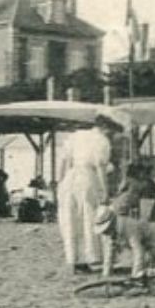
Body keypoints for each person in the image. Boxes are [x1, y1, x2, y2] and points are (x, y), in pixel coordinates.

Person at [57, 116, 114, 273]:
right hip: (87, 176)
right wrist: (105, 192)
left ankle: (72, 260)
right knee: (89, 218)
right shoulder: (102, 141)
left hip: (70, 177)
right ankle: (93, 258)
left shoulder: (75, 136)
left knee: (69, 218)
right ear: (105, 128)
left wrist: (60, 183)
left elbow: (64, 162)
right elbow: (100, 168)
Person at [95, 204, 155, 278]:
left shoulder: (129, 226)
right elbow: (109, 252)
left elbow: (138, 250)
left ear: (112, 223)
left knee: (153, 267)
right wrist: (106, 274)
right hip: (145, 243)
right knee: (149, 264)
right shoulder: (112, 232)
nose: (105, 233)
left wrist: (136, 273)